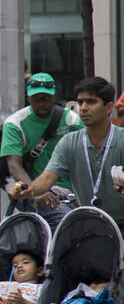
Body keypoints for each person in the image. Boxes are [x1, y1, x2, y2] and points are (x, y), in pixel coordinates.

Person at [11, 77, 124, 233]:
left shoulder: (121, 139)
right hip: (89, 225)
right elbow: (46, 179)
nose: (83, 108)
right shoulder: (69, 142)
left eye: (91, 102)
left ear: (108, 107)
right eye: (80, 102)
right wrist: (27, 191)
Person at [0, 72, 81, 231]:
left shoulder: (71, 119)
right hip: (30, 188)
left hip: (70, 190)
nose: (42, 103)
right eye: (36, 99)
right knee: (65, 223)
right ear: (28, 98)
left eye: (46, 98)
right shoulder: (15, 124)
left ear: (54, 96)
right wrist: (35, 191)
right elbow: (14, 166)